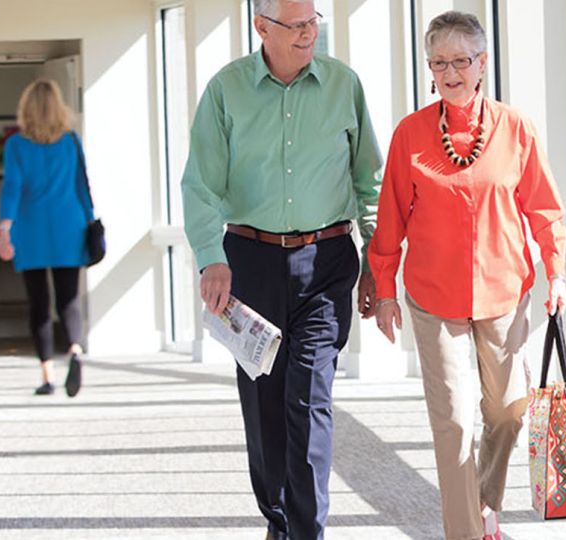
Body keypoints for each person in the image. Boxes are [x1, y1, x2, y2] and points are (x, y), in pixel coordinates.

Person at [179, 0, 380, 538]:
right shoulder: (227, 90)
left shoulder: (344, 86)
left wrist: (378, 263)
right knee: (265, 405)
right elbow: (200, 184)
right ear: (262, 27)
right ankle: (279, 518)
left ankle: (307, 529)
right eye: (297, 25)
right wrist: (211, 258)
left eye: (315, 21)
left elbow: (370, 182)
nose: (310, 32)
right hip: (251, 263)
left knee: (309, 395)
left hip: (328, 261)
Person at [368, 11, 566, 540]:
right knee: (455, 421)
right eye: (439, 62)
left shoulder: (515, 128)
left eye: (461, 60)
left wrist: (558, 274)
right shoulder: (410, 135)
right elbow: (390, 218)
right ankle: (466, 532)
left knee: (506, 411)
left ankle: (484, 503)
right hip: (434, 298)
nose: (450, 72)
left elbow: (544, 209)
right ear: (429, 69)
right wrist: (384, 291)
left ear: (483, 63)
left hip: (504, 292)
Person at [0, 79, 90, 398]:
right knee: (69, 300)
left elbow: (12, 187)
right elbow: (82, 185)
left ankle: (48, 376)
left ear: (27, 109)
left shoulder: (16, 145)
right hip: (69, 227)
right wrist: (90, 223)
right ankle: (75, 350)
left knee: (39, 304)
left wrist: (4, 227)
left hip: (30, 229)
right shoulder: (71, 141)